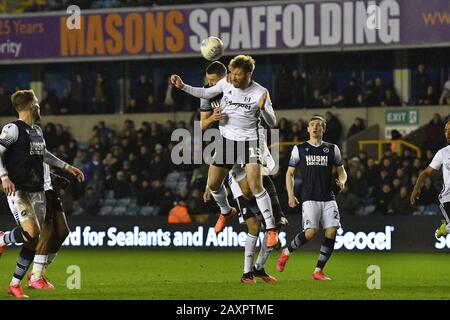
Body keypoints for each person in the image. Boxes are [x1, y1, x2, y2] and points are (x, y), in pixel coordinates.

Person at [171, 55, 279, 248]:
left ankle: (271, 229)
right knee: (213, 185)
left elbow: (272, 122)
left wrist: (263, 110)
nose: (234, 78)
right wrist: (182, 86)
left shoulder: (260, 92)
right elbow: (205, 94)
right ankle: (226, 211)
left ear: (249, 74)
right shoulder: (226, 84)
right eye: (232, 73)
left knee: (254, 185)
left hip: (250, 141)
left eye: (238, 74)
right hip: (228, 140)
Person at [0, 90, 84, 298]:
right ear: (30, 105)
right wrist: (4, 177)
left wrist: (66, 167)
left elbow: (44, 154)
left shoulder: (36, 130)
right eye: (36, 102)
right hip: (19, 190)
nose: (39, 105)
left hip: (38, 190)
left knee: (35, 237)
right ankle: (3, 240)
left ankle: (15, 284)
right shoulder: (12, 129)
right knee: (32, 233)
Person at [276, 115, 347, 281]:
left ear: (324, 129)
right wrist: (291, 195)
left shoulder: (332, 148)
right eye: (312, 125)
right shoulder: (299, 149)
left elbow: (342, 170)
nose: (315, 127)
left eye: (319, 125)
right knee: (310, 233)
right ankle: (286, 252)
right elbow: (290, 174)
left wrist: (342, 181)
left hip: (329, 197)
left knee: (332, 231)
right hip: (309, 198)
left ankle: (318, 271)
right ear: (308, 129)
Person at [28, 165, 72, 289]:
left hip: (50, 189)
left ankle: (38, 271)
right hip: (38, 189)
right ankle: (35, 277)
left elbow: (43, 161)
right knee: (47, 232)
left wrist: (54, 177)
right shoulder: (18, 146)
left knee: (63, 232)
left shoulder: (41, 146)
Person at [410, 120, 450, 238]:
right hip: (448, 198)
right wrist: (416, 189)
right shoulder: (443, 153)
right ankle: (445, 229)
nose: (447, 133)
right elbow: (425, 172)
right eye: (445, 131)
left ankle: (446, 228)